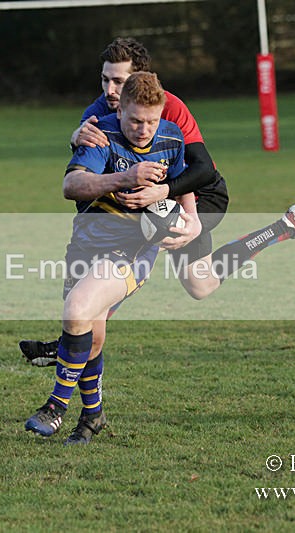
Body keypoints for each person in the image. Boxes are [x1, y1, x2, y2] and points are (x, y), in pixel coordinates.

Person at [20, 37, 295, 367]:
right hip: (149, 197)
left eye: (118, 81)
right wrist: (75, 137)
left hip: (198, 193)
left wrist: (173, 201)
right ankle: (285, 226)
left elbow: (202, 169)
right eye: (105, 79)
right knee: (195, 283)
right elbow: (88, 176)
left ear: (140, 79)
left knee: (158, 268)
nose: (109, 90)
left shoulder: (171, 107)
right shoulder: (97, 111)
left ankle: (73, 342)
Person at [24, 71, 201, 445]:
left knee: (77, 310)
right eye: (135, 120)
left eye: (151, 121)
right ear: (121, 111)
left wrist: (193, 221)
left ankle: (55, 406)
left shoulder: (171, 137)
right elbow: (71, 185)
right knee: (90, 334)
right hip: (85, 245)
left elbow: (184, 182)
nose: (144, 130)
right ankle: (93, 416)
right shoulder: (101, 135)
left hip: (133, 249)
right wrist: (125, 178)